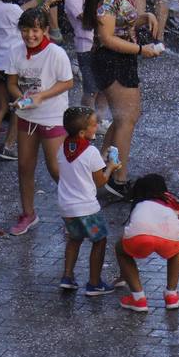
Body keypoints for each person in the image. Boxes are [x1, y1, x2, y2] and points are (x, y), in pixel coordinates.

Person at [82, 0, 164, 197]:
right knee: (126, 120)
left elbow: (120, 23)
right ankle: (118, 178)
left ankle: (100, 169)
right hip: (113, 61)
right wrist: (141, 49)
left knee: (124, 119)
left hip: (120, 60)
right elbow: (107, 38)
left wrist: (143, 18)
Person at [8, 5, 73, 233]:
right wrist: (22, 99)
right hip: (26, 116)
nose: (30, 35)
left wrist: (41, 96)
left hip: (53, 116)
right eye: (25, 30)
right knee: (24, 166)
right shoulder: (16, 51)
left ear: (45, 30)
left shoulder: (56, 53)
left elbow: (67, 82)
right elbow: (12, 83)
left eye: (35, 30)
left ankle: (73, 212)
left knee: (56, 169)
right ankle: (28, 213)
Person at [117, 172, 179, 312]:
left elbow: (134, 228)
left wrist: (124, 275)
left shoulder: (138, 203)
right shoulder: (171, 200)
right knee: (178, 248)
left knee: (121, 250)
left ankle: (138, 298)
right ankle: (172, 295)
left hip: (140, 237)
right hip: (169, 239)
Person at [54, 104, 117, 295]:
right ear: (82, 132)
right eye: (93, 124)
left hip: (67, 208)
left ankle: (67, 276)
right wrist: (111, 167)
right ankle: (94, 282)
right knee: (99, 240)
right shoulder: (90, 153)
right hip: (88, 209)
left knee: (74, 239)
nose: (97, 126)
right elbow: (100, 181)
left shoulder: (62, 149)